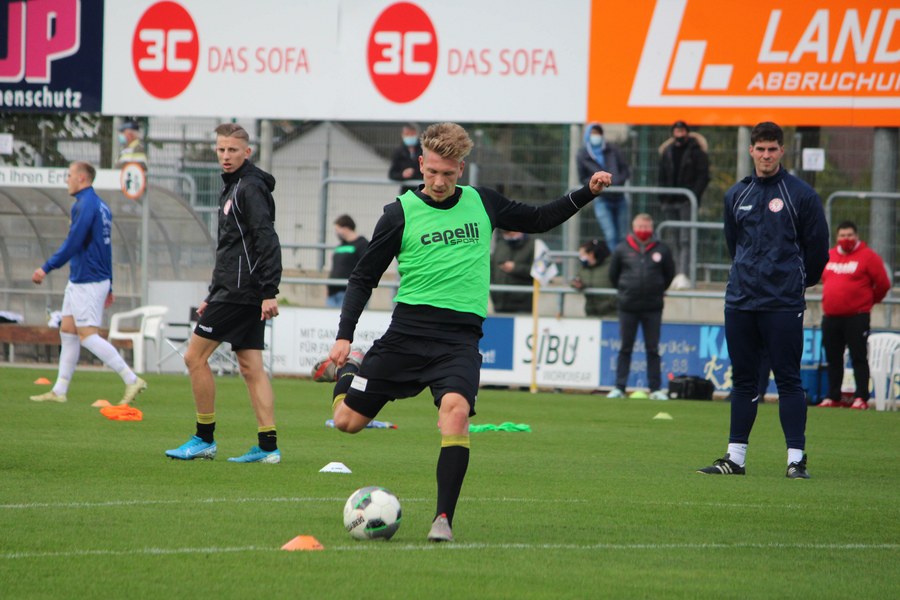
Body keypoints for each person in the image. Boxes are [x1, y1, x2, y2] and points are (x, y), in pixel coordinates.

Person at [323, 122, 613, 542]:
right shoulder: (399, 213)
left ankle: (443, 519)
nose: (439, 182)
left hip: (458, 341)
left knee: (456, 411)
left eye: (448, 173)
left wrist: (586, 192)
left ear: (461, 168)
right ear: (421, 164)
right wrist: (344, 335)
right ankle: (351, 367)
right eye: (432, 172)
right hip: (406, 334)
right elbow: (362, 278)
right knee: (346, 422)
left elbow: (538, 219)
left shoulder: (483, 202)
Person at [698, 121, 829, 479]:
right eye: (761, 149)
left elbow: (818, 249)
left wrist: (796, 282)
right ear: (751, 151)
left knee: (788, 380)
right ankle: (735, 459)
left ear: (782, 151)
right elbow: (734, 244)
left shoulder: (801, 195)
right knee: (743, 381)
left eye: (773, 149)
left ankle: (795, 460)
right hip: (741, 301)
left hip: (783, 303)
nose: (767, 155)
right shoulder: (736, 195)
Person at [165, 123, 283, 464]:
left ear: (248, 152)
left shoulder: (249, 188)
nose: (226, 156)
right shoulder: (234, 186)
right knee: (251, 366)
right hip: (235, 289)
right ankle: (268, 446)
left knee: (194, 358)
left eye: (233, 150)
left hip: (241, 291)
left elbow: (266, 239)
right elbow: (232, 248)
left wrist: (269, 291)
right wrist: (213, 292)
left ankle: (204, 438)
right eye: (221, 149)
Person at [29, 161, 147, 405]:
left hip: (88, 280)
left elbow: (74, 242)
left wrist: (46, 267)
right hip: (82, 279)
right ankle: (59, 390)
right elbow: (105, 247)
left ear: (81, 178)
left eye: (69, 175)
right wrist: (110, 283)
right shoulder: (100, 205)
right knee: (68, 331)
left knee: (87, 336)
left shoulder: (85, 205)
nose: (67, 180)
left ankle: (132, 379)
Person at [818, 221, 890, 410]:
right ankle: (833, 396)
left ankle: (861, 397)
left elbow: (883, 284)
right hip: (831, 317)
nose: (846, 239)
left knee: (858, 357)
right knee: (833, 358)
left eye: (849, 235)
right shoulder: (830, 256)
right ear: (837, 237)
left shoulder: (868, 257)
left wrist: (868, 302)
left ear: (857, 236)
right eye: (842, 235)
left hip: (857, 317)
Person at [607, 214, 675, 401]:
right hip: (627, 306)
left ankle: (655, 389)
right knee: (625, 348)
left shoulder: (662, 249)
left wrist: (657, 289)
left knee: (652, 349)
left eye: (646, 226)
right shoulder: (622, 248)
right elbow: (613, 275)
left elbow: (669, 275)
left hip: (653, 307)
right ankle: (619, 388)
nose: (643, 230)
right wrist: (626, 290)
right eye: (640, 226)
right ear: (633, 226)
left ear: (652, 228)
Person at [657, 120, 710, 290]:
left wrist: (693, 196)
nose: (679, 134)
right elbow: (661, 175)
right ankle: (673, 274)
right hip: (670, 202)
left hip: (686, 202)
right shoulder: (667, 152)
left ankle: (683, 274)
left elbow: (703, 176)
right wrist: (663, 197)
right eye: (676, 131)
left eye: (682, 131)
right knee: (673, 239)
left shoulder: (697, 153)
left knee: (686, 239)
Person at [576, 123, 631, 250]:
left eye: (598, 133)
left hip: (619, 197)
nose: (596, 136)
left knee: (623, 235)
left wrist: (616, 181)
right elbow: (582, 178)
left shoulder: (613, 149)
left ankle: (622, 260)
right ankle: (615, 260)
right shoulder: (582, 155)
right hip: (602, 199)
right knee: (611, 235)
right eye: (593, 133)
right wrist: (597, 182)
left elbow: (625, 170)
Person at [327, 215, 369, 308]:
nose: (336, 233)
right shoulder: (341, 245)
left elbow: (366, 268)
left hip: (350, 293)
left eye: (337, 229)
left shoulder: (362, 244)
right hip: (333, 293)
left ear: (346, 228)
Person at [490, 229, 535, 314]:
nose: (508, 235)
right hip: (499, 303)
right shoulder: (500, 244)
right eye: (506, 233)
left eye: (510, 232)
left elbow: (538, 272)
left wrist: (515, 268)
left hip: (522, 305)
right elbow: (492, 268)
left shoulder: (533, 245)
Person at [570, 239, 616, 318]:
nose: (581, 258)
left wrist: (611, 303)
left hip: (611, 313)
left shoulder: (612, 267)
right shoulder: (584, 269)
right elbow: (576, 279)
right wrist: (577, 284)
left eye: (582, 255)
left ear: (591, 254)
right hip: (592, 313)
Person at [388, 123, 423, 195]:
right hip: (406, 192)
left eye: (412, 134)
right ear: (402, 135)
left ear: (417, 134)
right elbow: (392, 174)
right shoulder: (398, 152)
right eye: (407, 134)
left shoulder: (424, 150)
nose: (409, 136)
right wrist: (402, 175)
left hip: (423, 191)